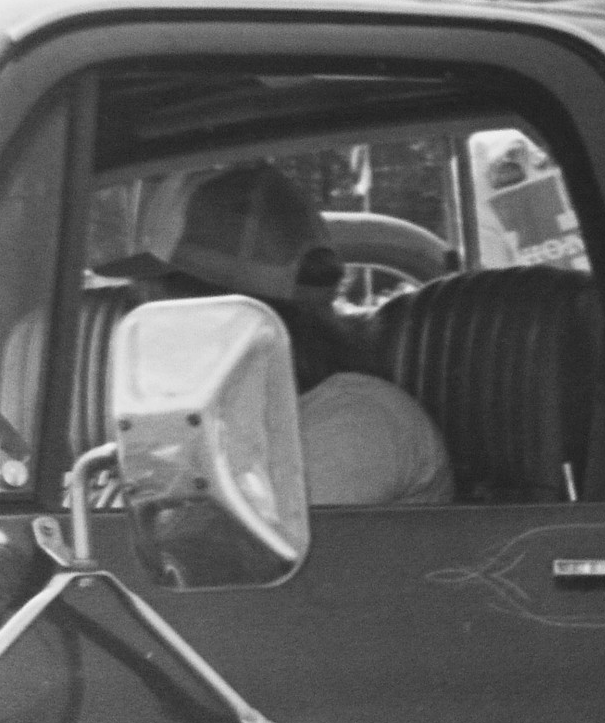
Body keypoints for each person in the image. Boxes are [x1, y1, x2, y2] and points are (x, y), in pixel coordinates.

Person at [114, 164, 455, 505]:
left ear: (237, 319)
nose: (150, 336)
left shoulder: (358, 421)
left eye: (162, 310)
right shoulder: (225, 423)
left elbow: (247, 537)